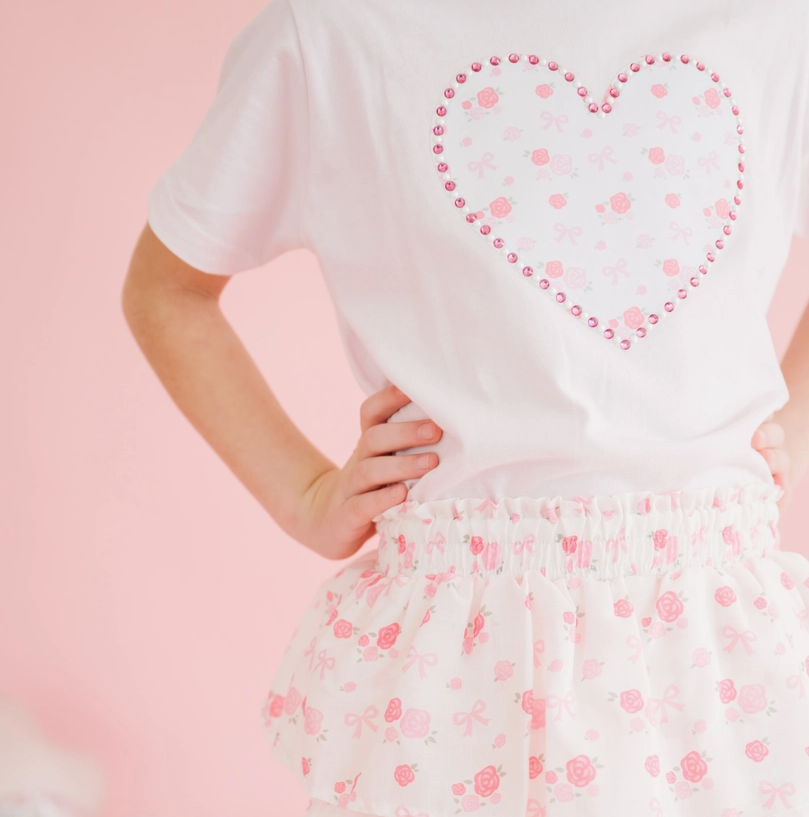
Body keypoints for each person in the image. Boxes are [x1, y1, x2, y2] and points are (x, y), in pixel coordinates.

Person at [122, 0, 809, 814]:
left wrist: (792, 418)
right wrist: (302, 496)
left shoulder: (773, 25)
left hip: (714, 637)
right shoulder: (331, 40)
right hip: (468, 646)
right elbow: (167, 289)